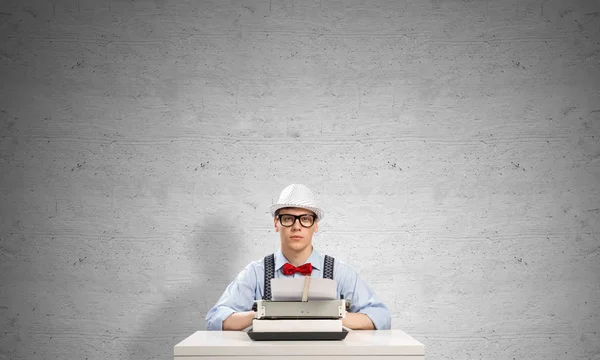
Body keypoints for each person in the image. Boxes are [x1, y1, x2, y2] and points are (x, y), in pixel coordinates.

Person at [205, 183, 391, 331]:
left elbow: (381, 317)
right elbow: (215, 319)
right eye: (288, 218)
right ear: (276, 223)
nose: (296, 226)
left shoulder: (339, 272)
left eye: (305, 219)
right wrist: (260, 314)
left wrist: (335, 316)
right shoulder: (255, 272)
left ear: (315, 225)